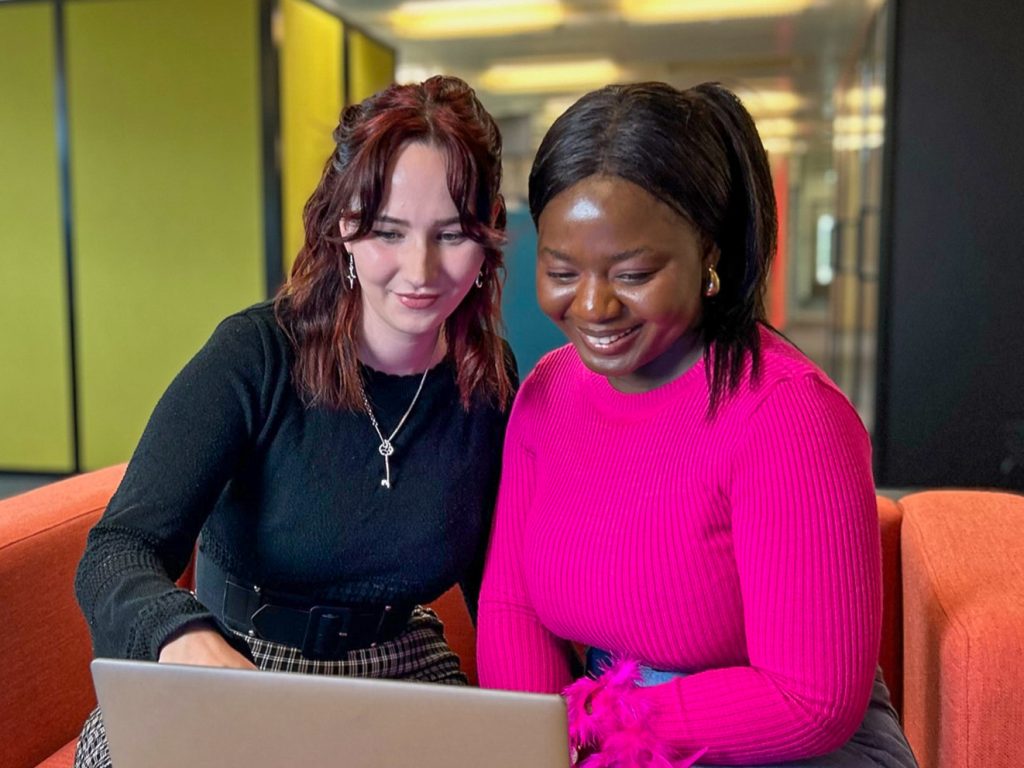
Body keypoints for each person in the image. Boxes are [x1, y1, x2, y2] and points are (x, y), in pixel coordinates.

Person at [73, 75, 515, 767]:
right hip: (234, 661)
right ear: (345, 224)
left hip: (399, 668)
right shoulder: (257, 355)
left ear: (489, 234)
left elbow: (499, 585)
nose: (421, 270)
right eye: (389, 232)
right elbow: (116, 550)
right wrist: (181, 639)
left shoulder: (485, 381)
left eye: (453, 234)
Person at [476, 82, 918, 767]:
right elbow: (513, 608)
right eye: (562, 270)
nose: (593, 305)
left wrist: (595, 724)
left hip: (781, 748)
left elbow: (810, 703)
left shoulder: (789, 413)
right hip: (599, 737)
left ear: (707, 251)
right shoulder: (547, 391)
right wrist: (537, 743)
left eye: (634, 272)